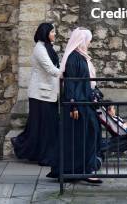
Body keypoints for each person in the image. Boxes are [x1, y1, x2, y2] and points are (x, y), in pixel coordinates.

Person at [48, 27, 103, 185]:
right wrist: (73, 106)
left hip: (84, 103)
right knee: (82, 137)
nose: (90, 43)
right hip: (79, 106)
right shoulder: (74, 58)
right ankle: (83, 171)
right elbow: (71, 84)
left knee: (88, 136)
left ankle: (82, 170)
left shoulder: (81, 57)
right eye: (88, 40)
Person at [11, 23, 60, 165]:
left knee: (46, 126)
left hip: (48, 93)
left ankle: (43, 153)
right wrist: (67, 73)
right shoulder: (40, 49)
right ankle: (25, 146)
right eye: (52, 32)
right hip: (40, 95)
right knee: (42, 126)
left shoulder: (48, 47)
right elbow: (50, 69)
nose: (54, 34)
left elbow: (55, 66)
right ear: (45, 33)